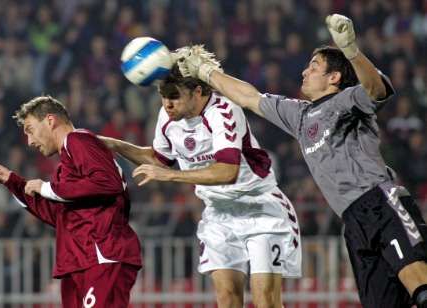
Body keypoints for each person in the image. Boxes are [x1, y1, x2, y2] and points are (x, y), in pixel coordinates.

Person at [175, 13, 427, 308]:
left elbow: (376, 90)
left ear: (333, 78)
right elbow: (249, 97)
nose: (305, 72)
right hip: (351, 220)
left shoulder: (348, 100)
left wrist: (351, 51)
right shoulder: (300, 115)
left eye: (314, 67)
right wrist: (206, 72)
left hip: (380, 201)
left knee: (420, 283)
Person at [100, 66, 301, 308]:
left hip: (260, 208)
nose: (167, 104)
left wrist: (171, 175)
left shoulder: (224, 111)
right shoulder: (167, 119)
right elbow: (158, 159)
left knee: (265, 300)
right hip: (218, 213)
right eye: (163, 96)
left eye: (174, 96)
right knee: (227, 298)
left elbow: (227, 171)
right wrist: (115, 145)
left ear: (197, 91)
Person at [0, 96, 142, 307]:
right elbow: (57, 214)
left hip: (101, 255)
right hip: (77, 261)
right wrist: (14, 183)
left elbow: (107, 182)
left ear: (50, 120)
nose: (29, 142)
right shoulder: (64, 167)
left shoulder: (78, 140)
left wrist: (46, 187)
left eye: (30, 130)